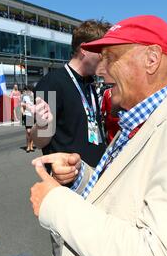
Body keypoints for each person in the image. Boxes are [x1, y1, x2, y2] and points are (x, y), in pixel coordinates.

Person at [30, 15, 167, 256]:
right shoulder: (142, 120)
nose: (102, 70)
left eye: (110, 58)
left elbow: (157, 255)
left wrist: (55, 204)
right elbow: (127, 194)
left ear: (151, 60)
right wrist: (80, 176)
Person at [31, 20, 111, 170]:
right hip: (69, 178)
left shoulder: (90, 82)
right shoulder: (51, 83)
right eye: (101, 52)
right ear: (84, 49)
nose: (105, 57)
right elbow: (39, 142)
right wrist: (43, 124)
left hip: (95, 173)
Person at [21, 85, 34, 152]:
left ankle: (31, 146)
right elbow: (22, 105)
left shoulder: (34, 95)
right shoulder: (25, 97)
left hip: (33, 115)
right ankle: (28, 146)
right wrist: (23, 112)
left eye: (29, 90)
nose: (28, 91)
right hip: (28, 114)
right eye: (27, 90)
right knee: (28, 131)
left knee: (32, 132)